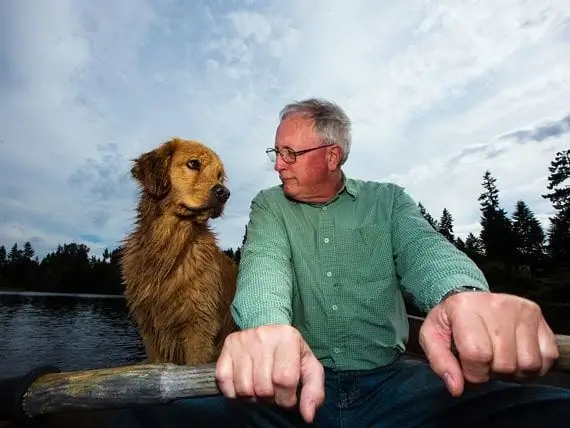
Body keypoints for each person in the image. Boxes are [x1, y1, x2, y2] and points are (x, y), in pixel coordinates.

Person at [111, 98, 570, 428]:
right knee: (139, 413)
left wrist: (462, 296)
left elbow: (424, 249)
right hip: (295, 383)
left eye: (290, 154)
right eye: (277, 153)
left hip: (394, 380)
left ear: (332, 155)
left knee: (551, 407)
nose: (278, 165)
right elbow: (263, 268)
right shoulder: (270, 207)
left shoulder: (388, 201)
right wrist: (267, 327)